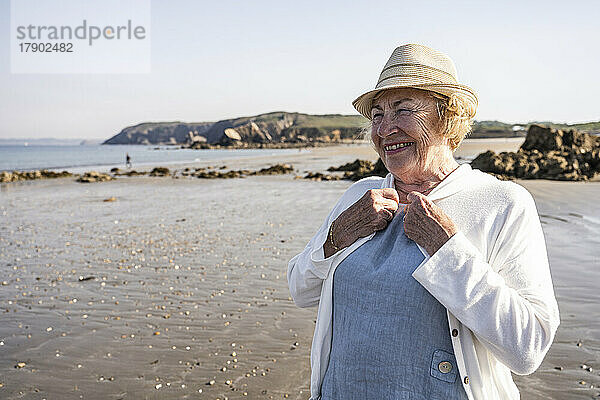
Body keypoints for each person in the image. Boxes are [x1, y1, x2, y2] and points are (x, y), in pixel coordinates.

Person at [287, 44, 560, 400]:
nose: (385, 130)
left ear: (447, 118)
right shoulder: (359, 194)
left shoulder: (503, 204)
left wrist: (447, 248)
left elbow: (529, 346)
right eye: (377, 115)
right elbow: (300, 289)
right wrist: (338, 235)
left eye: (402, 110)